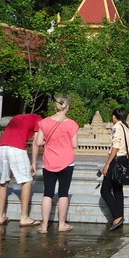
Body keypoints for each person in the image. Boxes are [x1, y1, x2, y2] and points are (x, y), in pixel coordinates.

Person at [32, 96, 79, 233]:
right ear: (68, 107)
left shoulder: (44, 122)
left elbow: (39, 142)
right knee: (63, 193)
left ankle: (44, 226)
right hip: (67, 162)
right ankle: (62, 224)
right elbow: (75, 144)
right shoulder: (72, 124)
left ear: (55, 107)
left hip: (49, 162)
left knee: (48, 193)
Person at [0, 112, 43, 226]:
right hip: (16, 148)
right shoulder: (39, 119)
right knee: (27, 181)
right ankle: (24, 217)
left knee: (4, 181)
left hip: (1, 147)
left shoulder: (17, 117)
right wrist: (34, 163)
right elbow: (36, 142)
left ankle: (1, 216)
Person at [100, 107, 129, 231]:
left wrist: (107, 164)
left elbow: (115, 146)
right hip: (124, 160)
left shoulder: (117, 128)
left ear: (114, 116)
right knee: (118, 190)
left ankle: (117, 216)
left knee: (105, 190)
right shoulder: (126, 128)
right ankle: (119, 217)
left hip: (116, 159)